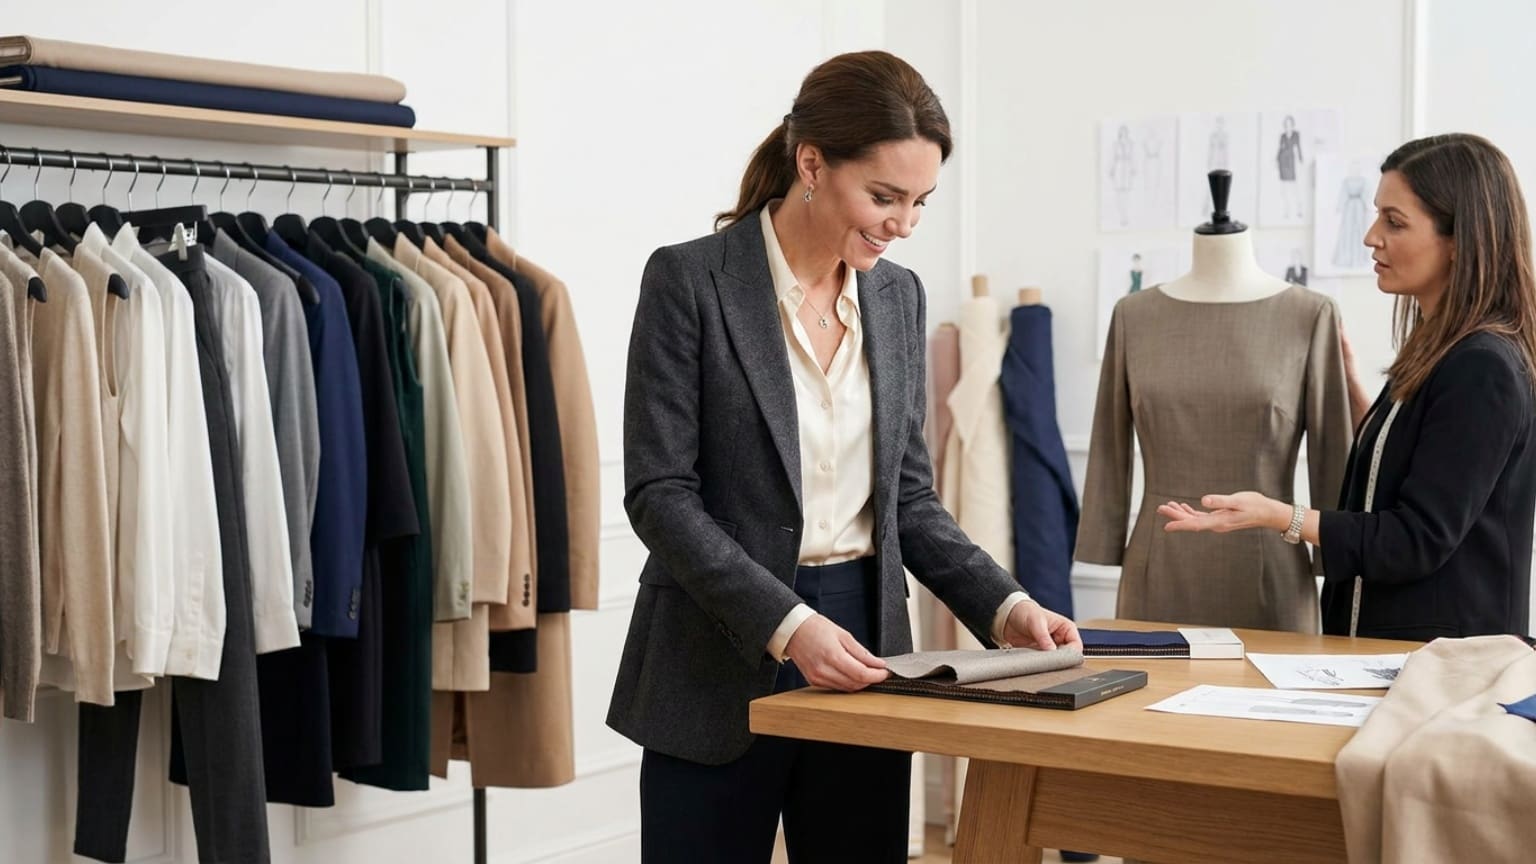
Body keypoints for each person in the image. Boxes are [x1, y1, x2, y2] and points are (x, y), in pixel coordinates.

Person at [606, 50, 1080, 863]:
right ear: (812, 164)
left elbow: (911, 503)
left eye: (920, 202)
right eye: (885, 197)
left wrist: (1006, 609)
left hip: (870, 644)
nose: (904, 224)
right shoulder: (690, 281)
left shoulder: (898, 297)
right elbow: (660, 495)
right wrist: (787, 628)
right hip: (719, 652)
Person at [1158, 133, 1536, 643]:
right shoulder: (1442, 351)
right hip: (1387, 654)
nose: (1371, 236)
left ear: (1459, 239)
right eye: (1378, 214)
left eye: (1394, 222)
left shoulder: (1482, 367)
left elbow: (1415, 539)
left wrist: (1280, 516)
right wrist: (1363, 400)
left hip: (1439, 666)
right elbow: (1418, 462)